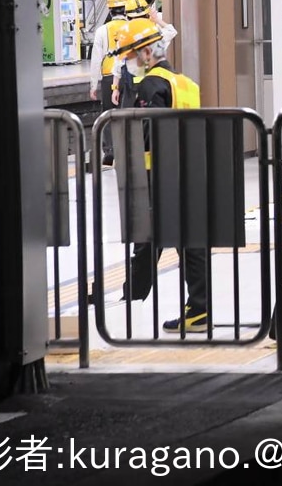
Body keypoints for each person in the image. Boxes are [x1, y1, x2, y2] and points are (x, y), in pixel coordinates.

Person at [111, 17, 210, 334]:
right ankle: (199, 309)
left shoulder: (151, 85)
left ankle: (131, 303)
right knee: (191, 242)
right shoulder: (186, 83)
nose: (127, 63)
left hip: (158, 176)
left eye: (128, 55)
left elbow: (146, 134)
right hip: (189, 172)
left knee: (146, 242)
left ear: (144, 53)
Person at [89, 0, 132, 167]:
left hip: (108, 78)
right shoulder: (131, 27)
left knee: (107, 115)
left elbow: (95, 60)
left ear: (109, 8)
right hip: (129, 76)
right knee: (129, 113)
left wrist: (93, 85)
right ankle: (128, 149)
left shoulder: (102, 31)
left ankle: (109, 152)